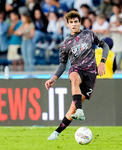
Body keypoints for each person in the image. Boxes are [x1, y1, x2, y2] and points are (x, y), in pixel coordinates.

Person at [45, 11, 109, 140]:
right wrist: (53, 78)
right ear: (67, 25)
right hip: (76, 69)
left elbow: (105, 45)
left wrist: (102, 62)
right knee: (73, 78)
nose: (74, 24)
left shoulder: (89, 35)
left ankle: (57, 132)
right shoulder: (64, 44)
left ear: (80, 23)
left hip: (91, 73)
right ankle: (80, 110)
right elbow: (63, 65)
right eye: (71, 22)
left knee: (72, 108)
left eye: (76, 22)